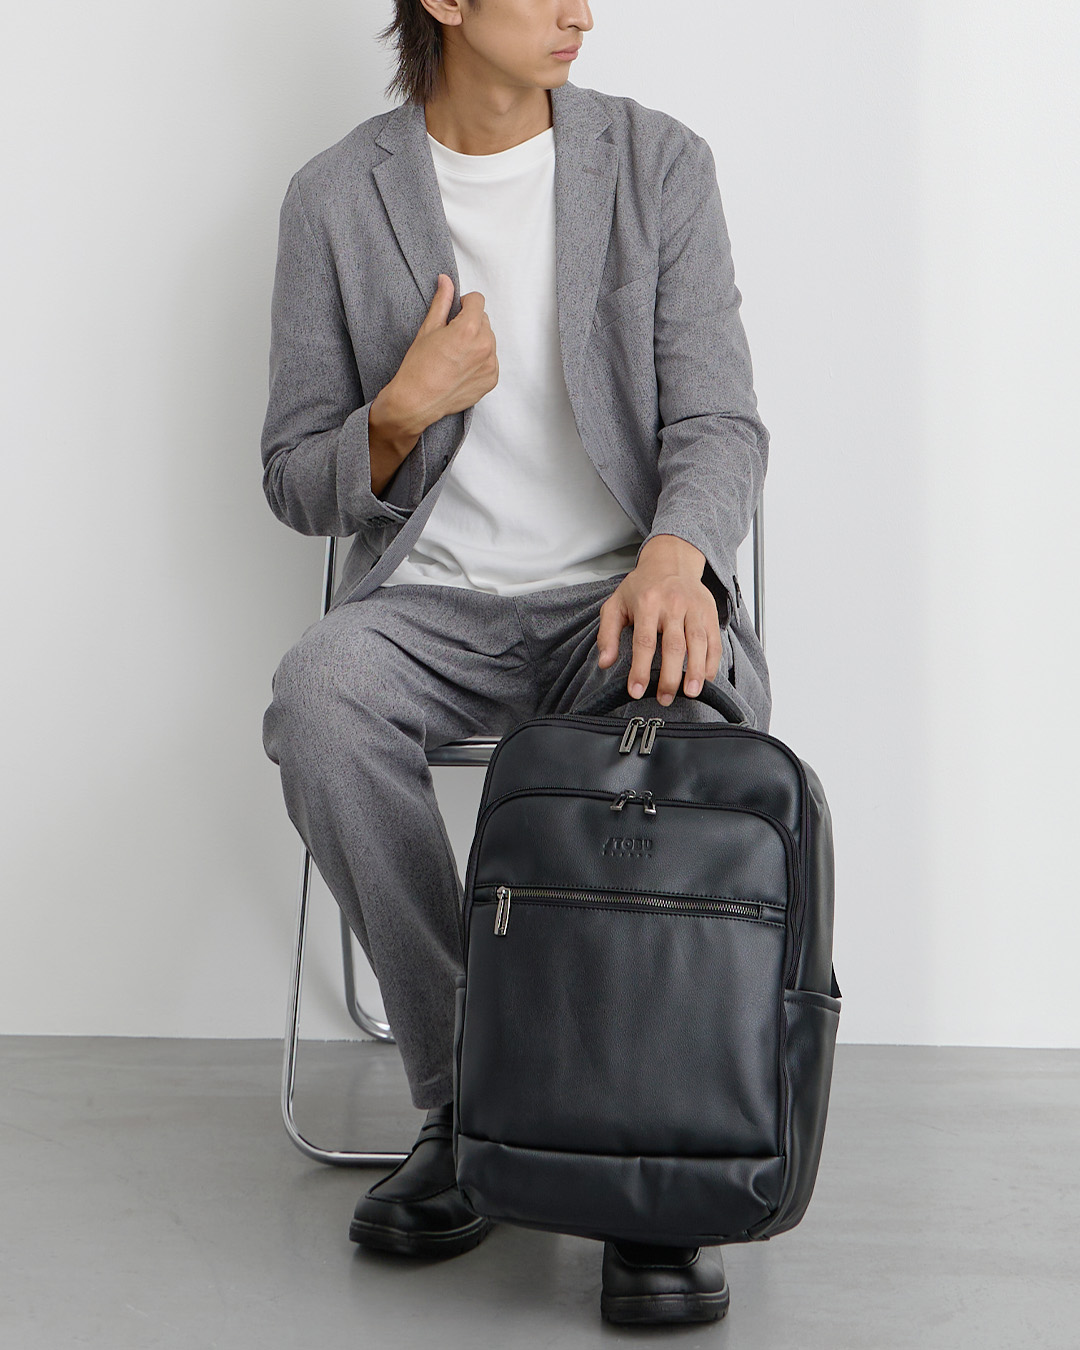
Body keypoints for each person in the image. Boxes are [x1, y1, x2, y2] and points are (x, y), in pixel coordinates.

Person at [260, 0, 771, 1327]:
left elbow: (719, 419)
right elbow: (295, 478)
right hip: (430, 608)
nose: (579, 11)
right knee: (320, 699)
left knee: (679, 730)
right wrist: (397, 413)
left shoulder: (658, 164)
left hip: (616, 601)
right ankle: (470, 1099)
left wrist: (675, 556)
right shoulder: (335, 199)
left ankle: (646, 1163)